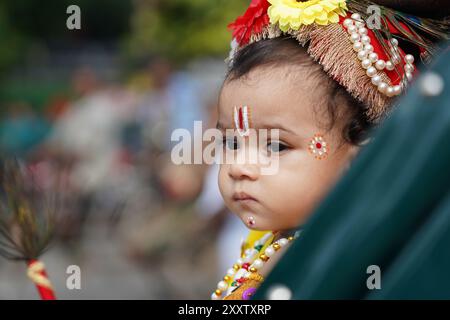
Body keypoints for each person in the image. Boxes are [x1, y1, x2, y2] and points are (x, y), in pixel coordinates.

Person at [210, 0, 448, 300]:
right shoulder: (266, 242)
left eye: (275, 146)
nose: (238, 167)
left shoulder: (330, 261)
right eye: (231, 143)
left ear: (359, 157)